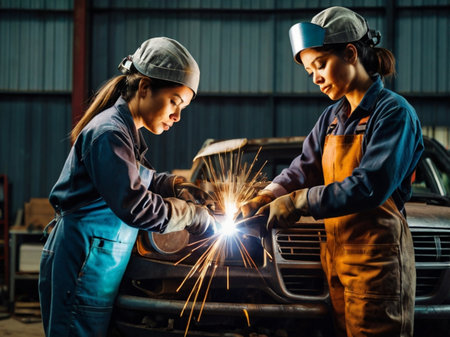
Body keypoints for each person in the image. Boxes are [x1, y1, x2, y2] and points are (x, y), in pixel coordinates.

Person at [240, 6, 423, 337]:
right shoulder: (332, 118)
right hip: (336, 259)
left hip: (377, 261)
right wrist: (269, 195)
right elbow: (305, 167)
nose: (315, 77)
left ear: (350, 53)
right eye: (310, 71)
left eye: (320, 65)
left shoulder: (393, 113)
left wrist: (297, 203)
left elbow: (369, 186)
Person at [39, 37, 215, 337]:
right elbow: (136, 204)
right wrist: (192, 215)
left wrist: (175, 185)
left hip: (96, 264)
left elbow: (137, 178)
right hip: (84, 262)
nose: (177, 115)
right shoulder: (109, 132)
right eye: (174, 101)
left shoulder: (124, 133)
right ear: (145, 88)